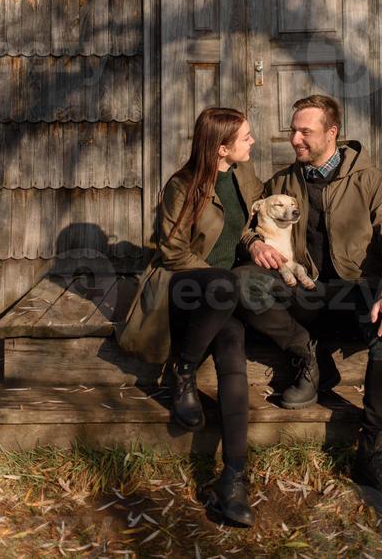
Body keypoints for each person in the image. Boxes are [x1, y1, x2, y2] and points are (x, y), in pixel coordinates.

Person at [236, 94, 382, 519]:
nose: (294, 138)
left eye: (304, 132)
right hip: (304, 292)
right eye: (292, 130)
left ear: (331, 133)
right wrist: (255, 242)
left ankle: (372, 454)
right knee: (238, 286)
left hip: (354, 293)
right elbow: (248, 227)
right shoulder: (283, 181)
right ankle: (306, 353)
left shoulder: (368, 179)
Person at [118, 107, 263, 527]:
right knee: (223, 287)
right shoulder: (182, 186)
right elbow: (173, 253)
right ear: (222, 148)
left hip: (223, 296)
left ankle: (234, 477)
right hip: (183, 288)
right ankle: (183, 368)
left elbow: (248, 226)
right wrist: (225, 280)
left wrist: (254, 246)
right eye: (246, 137)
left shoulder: (244, 177)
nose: (253, 142)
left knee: (233, 348)